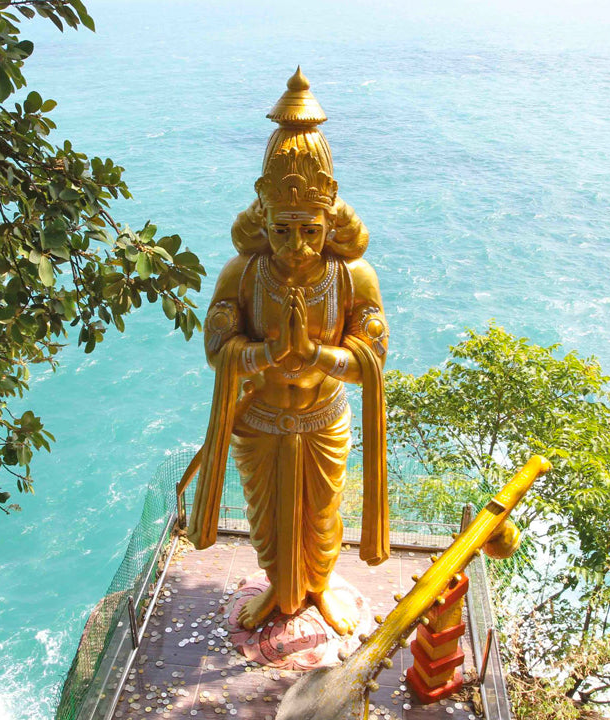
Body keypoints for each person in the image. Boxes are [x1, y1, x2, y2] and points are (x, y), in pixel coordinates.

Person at [183, 68, 391, 635]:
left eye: (309, 230)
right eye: (281, 231)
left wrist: (317, 356)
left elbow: (372, 358)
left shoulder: (352, 278)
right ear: (264, 219)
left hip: (322, 415)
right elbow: (217, 348)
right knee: (267, 518)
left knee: (321, 516)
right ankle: (278, 585)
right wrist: (270, 351)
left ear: (330, 221)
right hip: (262, 416)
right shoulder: (244, 274)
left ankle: (319, 587)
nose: (296, 245)